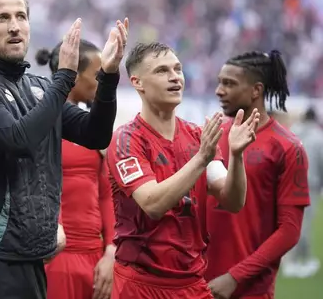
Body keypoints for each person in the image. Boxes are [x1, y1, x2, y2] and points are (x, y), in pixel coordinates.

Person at [0, 0, 126, 299]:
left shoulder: (37, 87)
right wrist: (65, 78)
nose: (15, 26)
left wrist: (107, 77)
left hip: (32, 259)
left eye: (21, 16)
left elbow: (95, 134)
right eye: (2, 18)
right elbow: (18, 139)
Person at [106, 42, 259, 299]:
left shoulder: (197, 136)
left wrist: (236, 155)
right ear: (138, 82)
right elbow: (153, 203)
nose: (175, 76)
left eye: (178, 69)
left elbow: (232, 200)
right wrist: (201, 159)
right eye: (162, 71)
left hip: (191, 282)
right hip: (141, 283)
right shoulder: (126, 140)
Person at [206, 49, 310, 299]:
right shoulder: (212, 135)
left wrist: (235, 277)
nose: (220, 90)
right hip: (196, 283)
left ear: (256, 90)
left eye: (229, 84)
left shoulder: (287, 147)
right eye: (219, 82)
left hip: (248, 290)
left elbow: (289, 231)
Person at [35, 41, 116, 299]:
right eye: (97, 75)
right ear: (73, 74)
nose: (101, 83)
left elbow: (106, 193)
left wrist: (111, 250)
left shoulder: (96, 131)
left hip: (96, 257)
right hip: (54, 255)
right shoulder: (37, 122)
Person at [284, 107, 323, 278]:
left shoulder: (291, 133)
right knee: (303, 225)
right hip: (309, 184)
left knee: (289, 222)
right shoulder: (317, 137)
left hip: (289, 184)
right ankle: (295, 262)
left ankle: (291, 260)